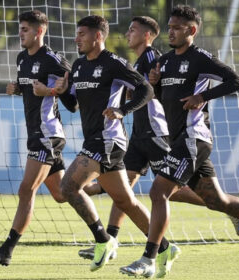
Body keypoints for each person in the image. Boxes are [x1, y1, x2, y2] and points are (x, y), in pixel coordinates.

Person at [120, 5, 239, 278]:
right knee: (215, 200)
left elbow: (236, 81)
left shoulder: (201, 59)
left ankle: (150, 258)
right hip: (180, 141)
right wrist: (156, 84)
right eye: (170, 27)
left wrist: (203, 97)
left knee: (157, 193)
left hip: (194, 138)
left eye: (176, 28)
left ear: (192, 30)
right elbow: (166, 100)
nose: (170, 32)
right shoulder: (167, 62)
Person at [78, 16, 239, 277]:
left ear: (147, 35)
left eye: (132, 30)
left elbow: (150, 92)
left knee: (168, 192)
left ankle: (224, 207)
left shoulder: (153, 59)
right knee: (126, 192)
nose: (127, 34)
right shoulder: (142, 62)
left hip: (156, 135)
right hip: (139, 135)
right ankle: (111, 240)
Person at [43, 14, 182, 273]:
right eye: (77, 34)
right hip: (100, 140)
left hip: (107, 139)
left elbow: (147, 90)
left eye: (82, 34)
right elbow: (73, 105)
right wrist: (62, 92)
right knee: (125, 202)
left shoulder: (115, 64)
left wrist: (123, 110)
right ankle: (164, 247)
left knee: (67, 188)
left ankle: (103, 240)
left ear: (98, 36)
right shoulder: (79, 66)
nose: (76, 39)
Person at [0, 10, 81, 266]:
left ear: (40, 31)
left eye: (25, 29)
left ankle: (6, 251)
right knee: (61, 193)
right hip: (36, 134)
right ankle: (105, 224)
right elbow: (32, 90)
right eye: (20, 28)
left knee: (26, 189)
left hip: (48, 134)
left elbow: (73, 101)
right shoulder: (22, 58)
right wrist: (17, 89)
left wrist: (52, 90)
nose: (20, 33)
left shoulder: (54, 60)